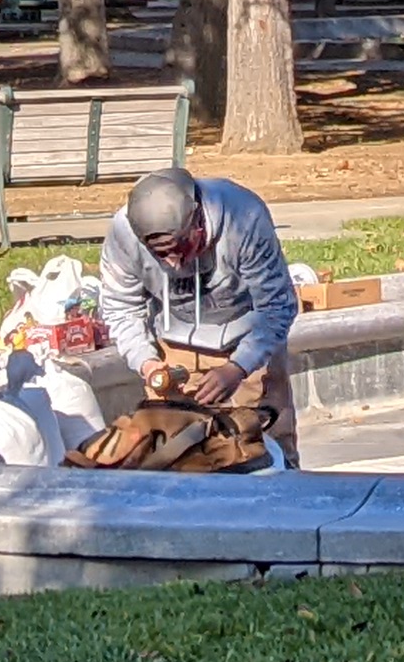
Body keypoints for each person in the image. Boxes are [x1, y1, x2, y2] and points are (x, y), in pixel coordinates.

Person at [96, 167, 303, 465]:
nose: (173, 262)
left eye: (181, 246)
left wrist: (239, 367)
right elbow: (120, 307)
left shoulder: (243, 217)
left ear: (198, 220)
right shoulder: (123, 235)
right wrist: (146, 362)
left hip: (249, 339)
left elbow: (277, 306)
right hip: (173, 343)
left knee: (265, 450)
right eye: (160, 254)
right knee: (178, 454)